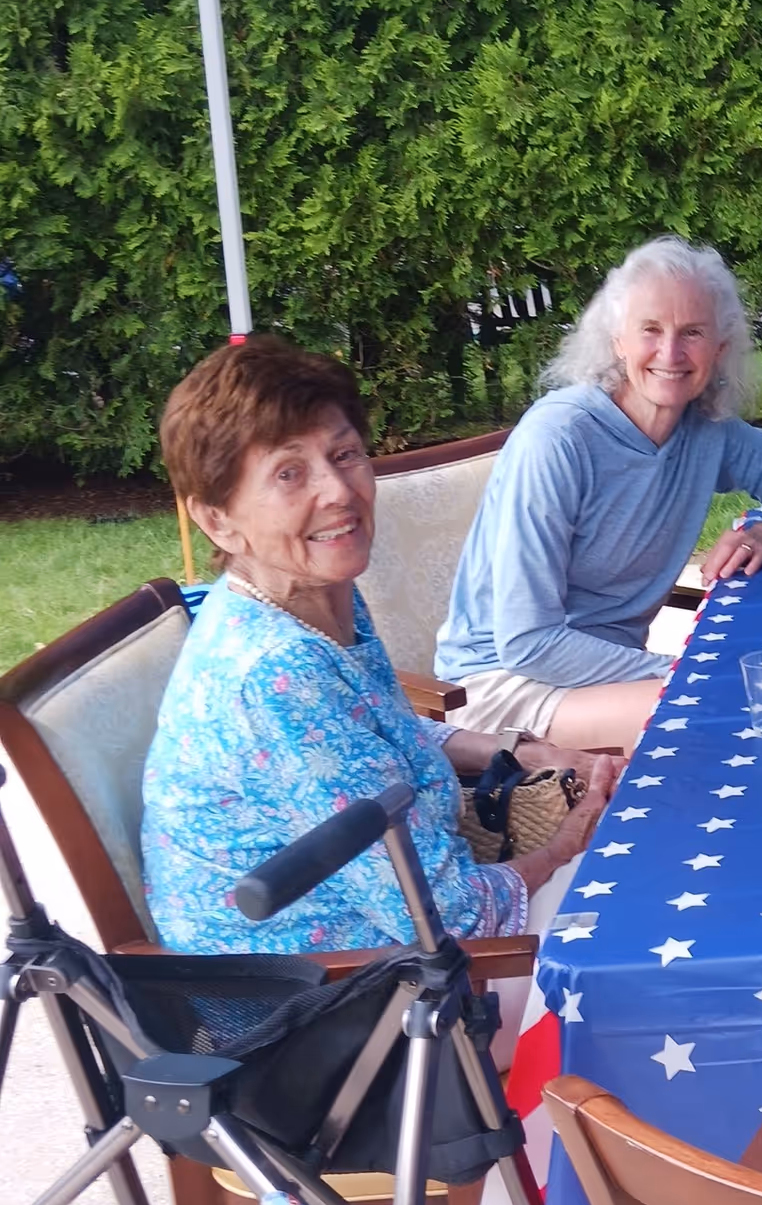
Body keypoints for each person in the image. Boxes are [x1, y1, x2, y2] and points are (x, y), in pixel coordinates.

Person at [143, 338, 616, 956]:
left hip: (399, 938)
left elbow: (377, 732)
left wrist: (524, 750)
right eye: (290, 473)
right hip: (336, 999)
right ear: (217, 519)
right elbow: (456, 921)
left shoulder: (314, 595)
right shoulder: (273, 676)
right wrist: (573, 839)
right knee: (647, 936)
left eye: (344, 454)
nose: (338, 490)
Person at [436, 237, 762, 752]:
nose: (670, 353)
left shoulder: (707, 431)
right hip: (502, 685)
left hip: (610, 673)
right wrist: (683, 669)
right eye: (651, 329)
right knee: (734, 708)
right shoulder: (559, 438)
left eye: (692, 332)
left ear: (719, 350)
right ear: (617, 340)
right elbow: (526, 642)